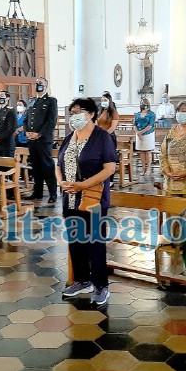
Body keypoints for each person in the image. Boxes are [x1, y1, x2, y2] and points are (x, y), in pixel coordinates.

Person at [56, 98, 117, 305]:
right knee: (76, 240)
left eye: (78, 111)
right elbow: (58, 163)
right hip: (70, 197)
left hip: (93, 198)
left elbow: (109, 169)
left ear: (91, 113)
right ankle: (82, 280)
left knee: (95, 242)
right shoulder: (69, 138)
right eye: (71, 112)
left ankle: (101, 285)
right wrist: (61, 182)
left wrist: (83, 185)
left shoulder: (102, 137)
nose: (74, 115)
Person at [24, 77, 58, 203]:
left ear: (46, 86)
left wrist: (39, 134)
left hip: (43, 140)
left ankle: (52, 193)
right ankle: (37, 192)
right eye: (37, 83)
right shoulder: (32, 101)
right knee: (36, 167)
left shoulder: (50, 101)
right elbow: (27, 119)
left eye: (41, 84)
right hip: (31, 140)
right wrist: (26, 131)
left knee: (47, 167)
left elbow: (51, 121)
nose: (38, 85)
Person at [133, 98, 156, 176]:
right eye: (142, 103)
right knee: (141, 152)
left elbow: (150, 125)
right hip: (139, 134)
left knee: (148, 151)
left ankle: (148, 169)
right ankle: (143, 168)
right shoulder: (137, 114)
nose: (143, 104)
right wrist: (138, 133)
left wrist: (142, 132)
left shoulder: (151, 114)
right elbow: (135, 124)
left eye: (144, 103)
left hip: (148, 134)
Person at [0, 90, 16, 158]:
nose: (0, 98)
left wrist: (0, 138)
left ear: (7, 98)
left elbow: (11, 129)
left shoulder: (10, 111)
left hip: (6, 145)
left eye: (2, 96)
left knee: (6, 167)